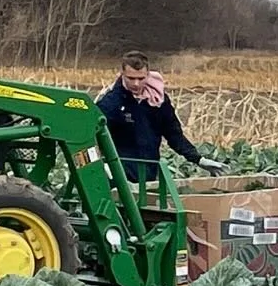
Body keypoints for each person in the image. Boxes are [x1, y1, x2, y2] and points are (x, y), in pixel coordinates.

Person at [96, 51, 227, 186]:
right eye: (130, 78)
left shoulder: (158, 101)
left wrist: (199, 159)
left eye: (141, 79)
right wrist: (100, 163)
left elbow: (174, 135)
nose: (136, 83)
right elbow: (91, 137)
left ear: (148, 74)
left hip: (149, 175)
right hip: (119, 177)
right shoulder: (110, 103)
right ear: (122, 74)